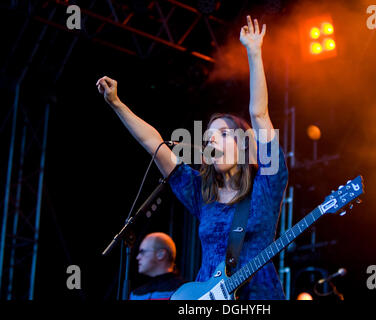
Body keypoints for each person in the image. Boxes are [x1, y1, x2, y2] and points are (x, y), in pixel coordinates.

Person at [97, 16, 288, 300]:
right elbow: (155, 144)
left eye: (222, 134)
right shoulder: (201, 192)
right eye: (209, 137)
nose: (213, 140)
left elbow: (259, 115)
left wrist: (253, 51)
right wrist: (116, 104)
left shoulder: (266, 185)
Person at [129, 232, 185, 300]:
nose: (137, 257)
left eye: (142, 252)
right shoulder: (136, 293)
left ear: (160, 254)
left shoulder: (183, 290)